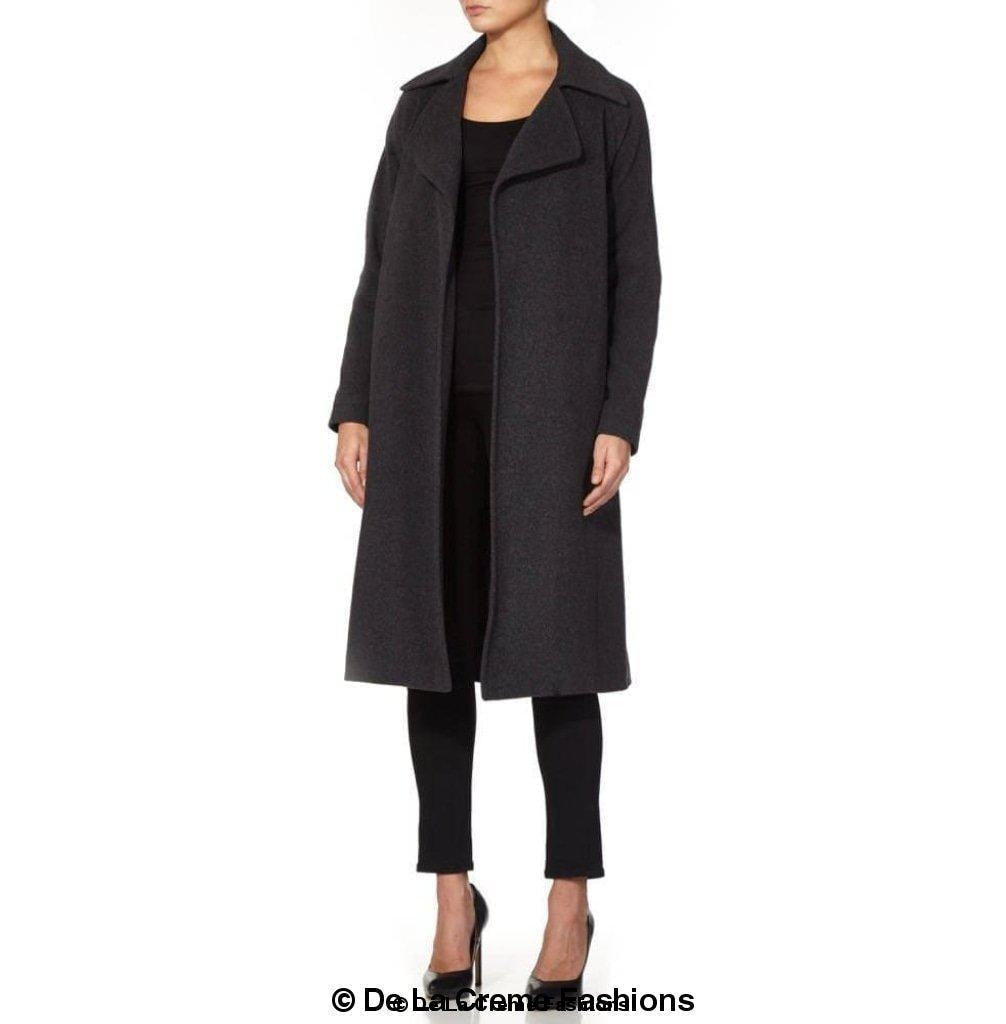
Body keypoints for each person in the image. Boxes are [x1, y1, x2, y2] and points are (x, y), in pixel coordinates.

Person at [330, 0, 660, 999]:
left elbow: (636, 274)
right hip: (422, 415)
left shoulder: (604, 109)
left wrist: (618, 415)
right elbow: (379, 264)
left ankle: (568, 902)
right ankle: (451, 901)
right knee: (429, 656)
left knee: (563, 661)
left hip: (553, 424)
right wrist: (356, 403)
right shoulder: (423, 106)